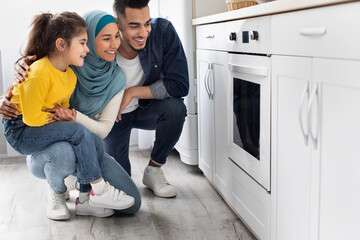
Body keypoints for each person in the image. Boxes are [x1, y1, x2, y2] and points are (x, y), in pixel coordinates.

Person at [5, 0, 189, 199]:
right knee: (115, 178)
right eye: (134, 25)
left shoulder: (160, 33)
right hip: (109, 120)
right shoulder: (87, 49)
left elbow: (179, 85)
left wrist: (132, 92)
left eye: (147, 23)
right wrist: (19, 70)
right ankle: (62, 178)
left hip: (142, 109)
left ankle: (153, 170)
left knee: (175, 108)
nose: (143, 32)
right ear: (118, 23)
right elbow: (50, 55)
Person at [1, 11, 135, 220]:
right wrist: (5, 96)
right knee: (71, 141)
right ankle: (74, 189)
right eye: (105, 38)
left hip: (79, 140)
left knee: (93, 141)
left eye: (117, 36)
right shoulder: (62, 62)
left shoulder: (80, 72)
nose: (115, 44)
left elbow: (100, 128)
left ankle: (84, 198)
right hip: (30, 135)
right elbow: (31, 85)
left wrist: (70, 118)